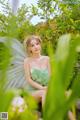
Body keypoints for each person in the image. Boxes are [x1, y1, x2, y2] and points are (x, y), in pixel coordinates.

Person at [23, 35, 51, 107]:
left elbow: (51, 76)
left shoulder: (47, 59)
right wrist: (41, 88)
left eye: (37, 44)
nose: (36, 47)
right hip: (32, 91)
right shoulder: (27, 61)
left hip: (47, 89)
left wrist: (50, 87)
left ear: (40, 45)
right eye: (32, 45)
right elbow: (29, 79)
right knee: (43, 92)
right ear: (29, 49)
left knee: (61, 96)